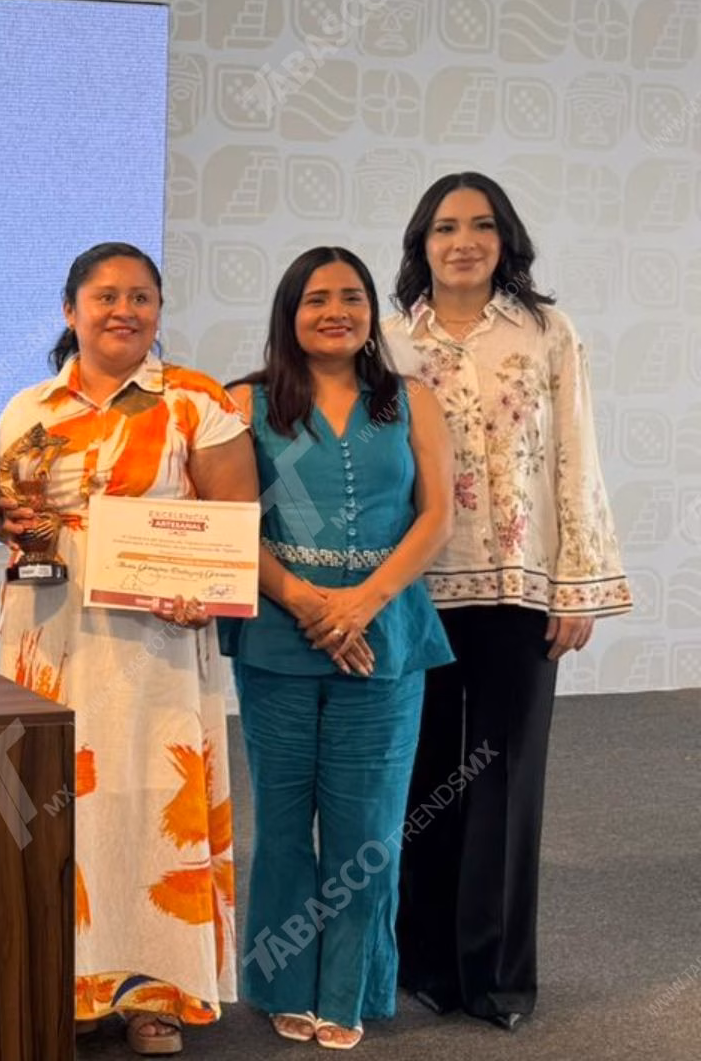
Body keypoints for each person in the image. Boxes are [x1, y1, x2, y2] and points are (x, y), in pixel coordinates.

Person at [0, 241, 257, 1056]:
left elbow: (235, 523)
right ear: (70, 310)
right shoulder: (28, 406)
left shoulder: (196, 403)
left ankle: (157, 994)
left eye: (141, 297)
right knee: (53, 799)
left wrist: (200, 589)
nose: (123, 311)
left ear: (159, 312)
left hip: (158, 640)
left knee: (150, 802)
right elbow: (7, 519)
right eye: (105, 296)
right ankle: (62, 983)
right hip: (49, 629)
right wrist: (15, 529)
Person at [383, 172, 632, 1031]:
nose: (463, 242)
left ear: (505, 239)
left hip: (523, 590)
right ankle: (425, 965)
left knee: (506, 781)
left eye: (481, 226)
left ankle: (498, 978)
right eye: (445, 227)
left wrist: (580, 586)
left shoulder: (546, 334)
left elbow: (575, 455)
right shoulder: (389, 343)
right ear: (421, 242)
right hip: (416, 589)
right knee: (421, 782)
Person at [219, 247, 455, 1050]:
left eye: (352, 297)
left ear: (370, 312)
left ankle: (348, 989)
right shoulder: (241, 404)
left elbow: (435, 519)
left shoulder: (412, 400)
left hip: (385, 636)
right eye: (316, 298)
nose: (336, 311)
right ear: (289, 313)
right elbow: (230, 523)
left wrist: (361, 604)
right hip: (278, 639)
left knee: (367, 829)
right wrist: (311, 604)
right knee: (284, 825)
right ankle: (283, 980)